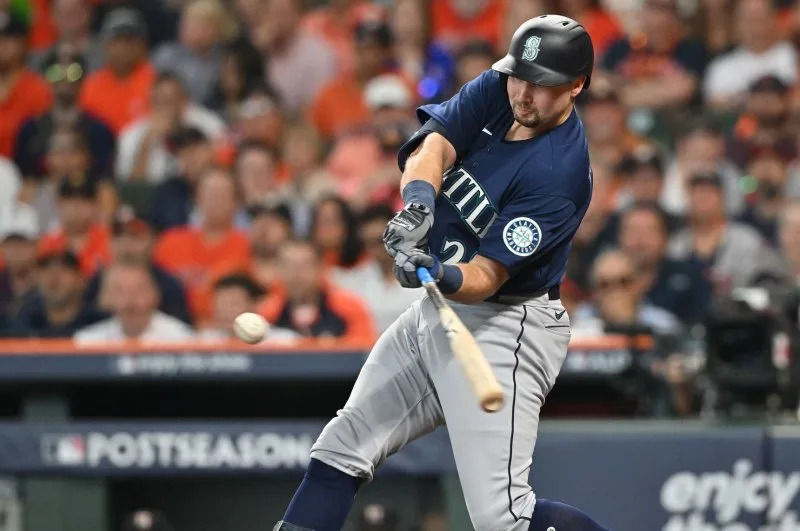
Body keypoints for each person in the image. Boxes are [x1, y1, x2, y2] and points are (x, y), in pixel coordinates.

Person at [273, 15, 609, 531]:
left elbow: (486, 277)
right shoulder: (503, 88)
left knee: (505, 520)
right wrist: (417, 206)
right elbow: (435, 144)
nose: (523, 92)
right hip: (440, 312)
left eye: (541, 84)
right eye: (519, 76)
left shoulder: (558, 173)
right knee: (343, 446)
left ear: (577, 85)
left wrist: (440, 271)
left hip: (506, 326)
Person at [153, 167, 251, 324]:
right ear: (197, 199)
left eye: (222, 196)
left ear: (236, 201)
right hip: (172, 328)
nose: (215, 202)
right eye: (209, 194)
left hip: (227, 329)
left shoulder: (248, 245)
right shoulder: (169, 242)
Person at [667, 172, 786, 295]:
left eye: (708, 193)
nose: (702, 200)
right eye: (696, 194)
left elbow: (759, 283)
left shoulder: (747, 239)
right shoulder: (677, 243)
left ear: (722, 197)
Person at [14, 49, 115, 180]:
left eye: (73, 72)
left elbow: (105, 179)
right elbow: (22, 178)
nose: (65, 78)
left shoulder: (99, 131)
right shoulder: (29, 130)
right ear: (44, 78)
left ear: (84, 79)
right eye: (55, 72)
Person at [84, 205, 192, 325]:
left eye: (135, 236)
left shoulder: (167, 284)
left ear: (152, 241)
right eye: (119, 236)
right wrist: (103, 309)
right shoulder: (97, 281)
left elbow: (181, 331)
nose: (127, 243)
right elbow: (82, 329)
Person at [115, 73, 226, 183]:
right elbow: (131, 189)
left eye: (170, 101)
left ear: (184, 101)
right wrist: (146, 144)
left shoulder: (209, 124)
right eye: (159, 102)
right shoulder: (130, 135)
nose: (165, 109)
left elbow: (225, 169)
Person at [257, 239, 375, 342]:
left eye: (304, 266)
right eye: (288, 266)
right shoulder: (266, 313)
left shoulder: (350, 308)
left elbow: (362, 353)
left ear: (320, 268)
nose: (296, 274)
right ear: (279, 270)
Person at [332, 204, 424, 333]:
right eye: (369, 244)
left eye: (380, 241)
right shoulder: (354, 281)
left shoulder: (423, 273)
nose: (376, 250)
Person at [617, 202, 710, 324]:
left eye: (648, 231)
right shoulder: (606, 278)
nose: (639, 240)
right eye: (631, 230)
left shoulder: (690, 276)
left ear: (665, 237)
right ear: (619, 237)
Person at [704, 0, 797, 111]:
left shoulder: (793, 56)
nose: (756, 27)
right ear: (737, 23)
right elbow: (714, 102)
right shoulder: (721, 68)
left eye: (760, 18)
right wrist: (748, 102)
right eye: (749, 20)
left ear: (774, 19)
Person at [74, 259, 194, 343]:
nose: (130, 299)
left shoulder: (182, 339)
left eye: (139, 290)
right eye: (120, 291)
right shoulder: (88, 341)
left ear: (155, 295)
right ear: (107, 298)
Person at [253, 0, 337, 116]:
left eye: (281, 13)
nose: (275, 21)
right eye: (270, 14)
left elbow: (319, 108)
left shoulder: (316, 53)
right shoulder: (268, 50)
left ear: (297, 16)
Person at [78, 8, 156, 134]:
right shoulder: (91, 86)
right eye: (118, 40)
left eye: (130, 40)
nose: (124, 47)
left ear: (142, 45)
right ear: (106, 45)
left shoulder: (156, 82)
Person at [571, 249, 682, 337]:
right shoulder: (578, 324)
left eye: (624, 282)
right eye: (604, 285)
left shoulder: (663, 326)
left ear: (639, 285)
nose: (615, 292)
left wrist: (627, 323)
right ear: (594, 292)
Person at [11, 250, 102, 338]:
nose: (54, 278)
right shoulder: (25, 318)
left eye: (63, 270)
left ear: (81, 280)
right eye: (46, 271)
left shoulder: (98, 322)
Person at [152, 0, 227, 105]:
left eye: (202, 26)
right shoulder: (165, 56)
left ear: (217, 30)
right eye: (188, 24)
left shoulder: (223, 59)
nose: (193, 31)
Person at [37, 173, 112, 277]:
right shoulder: (48, 244)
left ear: (96, 205)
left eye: (84, 201)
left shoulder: (109, 240)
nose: (76, 207)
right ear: (58, 203)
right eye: (70, 200)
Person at [0, 14, 53, 158]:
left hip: (24, 171)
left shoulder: (38, 89)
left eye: (8, 39)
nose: (1, 46)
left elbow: (43, 139)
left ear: (23, 44)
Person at [148, 126, 216, 232]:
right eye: (182, 152)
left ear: (209, 151)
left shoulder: (227, 185)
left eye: (193, 150)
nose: (189, 158)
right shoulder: (168, 192)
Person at [200, 273, 298, 343]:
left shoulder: (284, 341)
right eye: (220, 304)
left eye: (234, 304)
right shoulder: (202, 342)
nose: (226, 311)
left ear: (253, 305)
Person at [31, 0, 104, 73]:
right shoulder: (39, 61)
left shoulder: (105, 55)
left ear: (87, 13)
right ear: (52, 16)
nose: (67, 17)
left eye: (73, 11)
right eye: (61, 12)